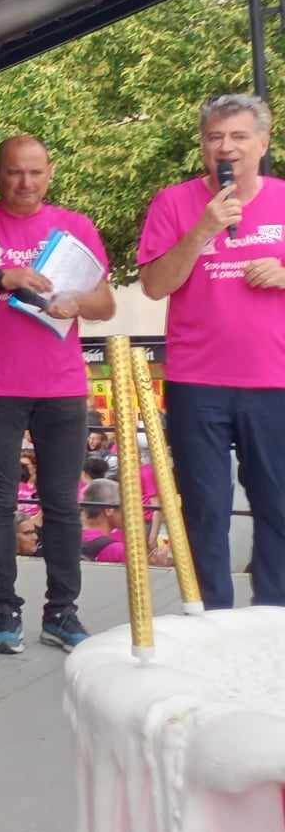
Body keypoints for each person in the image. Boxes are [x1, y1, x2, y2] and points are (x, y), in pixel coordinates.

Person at [0, 135, 114, 655]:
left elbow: (106, 304)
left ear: (50, 173)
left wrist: (75, 302)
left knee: (62, 502)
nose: (26, 183)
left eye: (35, 172)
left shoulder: (75, 226)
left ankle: (62, 612)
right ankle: (4, 612)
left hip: (61, 385)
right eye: (15, 172)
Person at [138, 93, 285, 608]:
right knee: (204, 509)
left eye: (239, 136)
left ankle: (273, 617)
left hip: (274, 380)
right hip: (197, 381)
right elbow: (155, 285)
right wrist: (204, 228)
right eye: (215, 137)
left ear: (263, 143)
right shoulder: (173, 203)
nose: (227, 147)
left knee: (278, 505)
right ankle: (210, 618)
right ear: (203, 146)